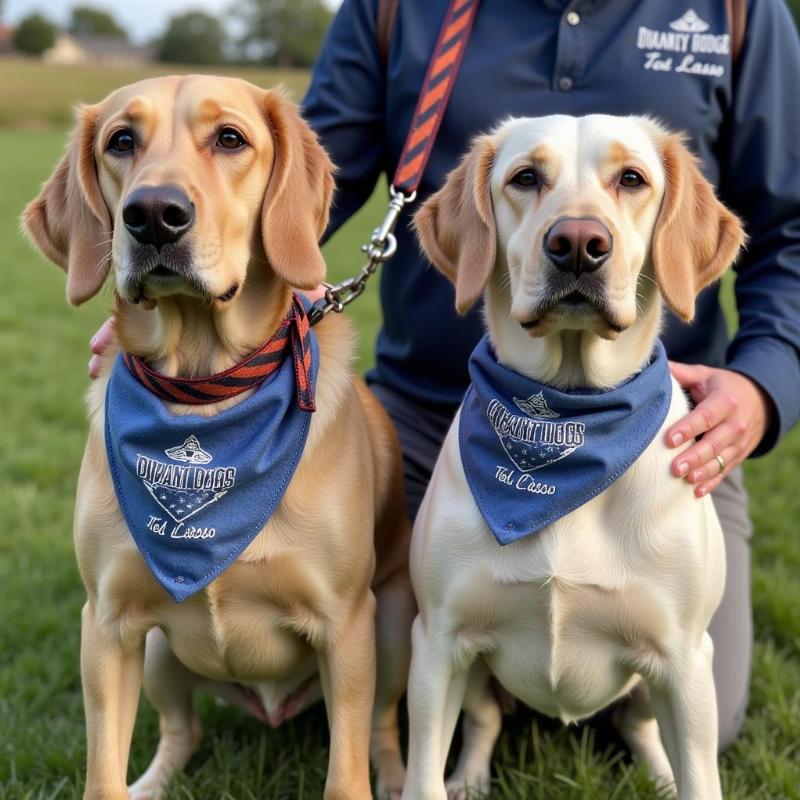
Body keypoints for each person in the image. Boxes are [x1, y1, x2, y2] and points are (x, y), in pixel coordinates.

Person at [90, 0, 800, 751]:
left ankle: (512, 669)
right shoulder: (396, 9)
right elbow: (278, 176)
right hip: (432, 420)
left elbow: (788, 225)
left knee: (706, 715)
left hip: (667, 423)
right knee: (363, 633)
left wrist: (761, 380)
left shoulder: (738, 12)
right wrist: (190, 268)